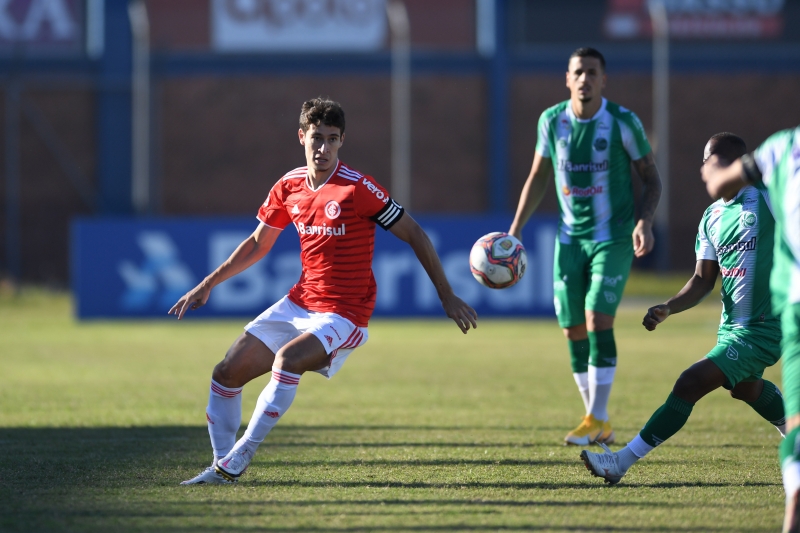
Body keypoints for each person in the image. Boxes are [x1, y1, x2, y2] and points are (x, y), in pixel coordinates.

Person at [172, 98, 478, 485]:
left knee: (287, 359)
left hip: (345, 312)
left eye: (333, 140)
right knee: (226, 373)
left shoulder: (357, 189)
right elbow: (257, 243)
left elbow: (414, 232)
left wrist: (445, 294)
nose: (324, 148)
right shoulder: (289, 185)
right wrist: (208, 283)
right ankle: (222, 465)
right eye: (317, 138)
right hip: (300, 301)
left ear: (342, 141)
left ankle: (238, 458)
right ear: (302, 137)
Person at [580, 132, 786, 485]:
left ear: (728, 165)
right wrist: (668, 307)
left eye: (708, 160)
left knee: (690, 382)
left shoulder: (768, 200)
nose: (702, 167)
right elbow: (703, 280)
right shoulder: (711, 217)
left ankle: (620, 462)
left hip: (766, 326)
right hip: (732, 327)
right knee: (746, 390)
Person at [509, 47, 662, 445]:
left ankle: (597, 414)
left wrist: (644, 221)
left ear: (602, 80)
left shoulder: (622, 122)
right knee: (573, 328)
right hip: (569, 238)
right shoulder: (551, 120)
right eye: (578, 72)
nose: (585, 79)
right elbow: (538, 176)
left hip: (613, 237)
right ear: (567, 78)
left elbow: (652, 177)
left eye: (592, 73)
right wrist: (516, 228)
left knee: (597, 319)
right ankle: (597, 420)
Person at [702, 127, 800, 533]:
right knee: (747, 390)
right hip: (784, 312)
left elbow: (720, 183)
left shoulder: (782, 147)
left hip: (789, 308)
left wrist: (714, 173)